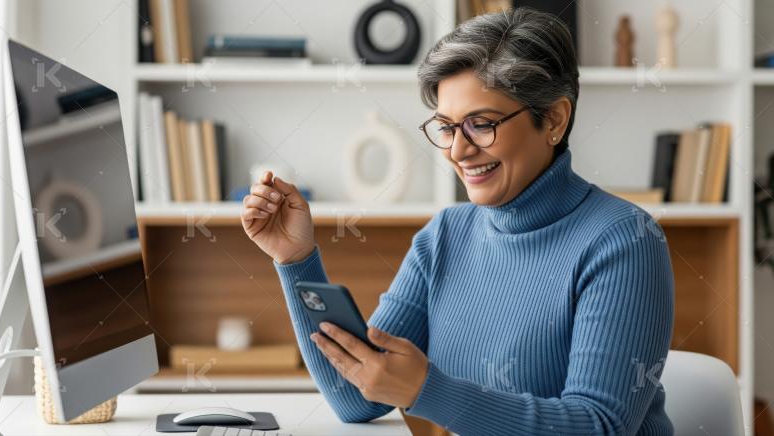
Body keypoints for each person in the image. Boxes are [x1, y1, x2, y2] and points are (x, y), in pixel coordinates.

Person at [242, 8, 674, 435]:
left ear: (555, 119)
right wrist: (295, 259)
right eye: (447, 127)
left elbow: (599, 427)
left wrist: (427, 390)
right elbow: (356, 398)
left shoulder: (624, 241)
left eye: (481, 124)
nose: (458, 151)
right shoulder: (445, 236)